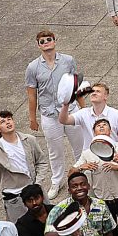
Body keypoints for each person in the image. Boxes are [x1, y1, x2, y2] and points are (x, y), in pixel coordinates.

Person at [24, 30, 80, 199]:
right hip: (49, 114)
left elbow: (75, 85)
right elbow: (32, 94)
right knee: (55, 151)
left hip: (70, 110)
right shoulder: (33, 67)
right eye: (42, 41)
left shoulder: (68, 60)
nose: (46, 43)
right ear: (38, 45)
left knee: (79, 145)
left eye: (49, 40)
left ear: (55, 41)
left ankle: (83, 175)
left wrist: (84, 110)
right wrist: (32, 118)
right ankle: (57, 180)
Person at [0, 110, 50, 221]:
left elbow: (42, 162)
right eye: (3, 122)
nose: (8, 123)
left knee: (49, 223)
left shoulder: (29, 140)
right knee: (20, 231)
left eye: (9, 119)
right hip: (14, 197)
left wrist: (37, 183)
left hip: (34, 191)